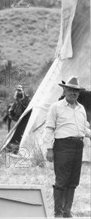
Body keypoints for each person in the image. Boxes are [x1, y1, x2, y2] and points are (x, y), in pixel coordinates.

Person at [43, 76, 91, 218]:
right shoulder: (56, 107)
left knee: (73, 181)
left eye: (76, 91)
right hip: (62, 146)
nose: (73, 93)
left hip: (78, 146)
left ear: (79, 93)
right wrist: (49, 149)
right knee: (62, 181)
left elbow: (84, 128)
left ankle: (67, 212)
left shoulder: (81, 109)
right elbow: (49, 128)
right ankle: (58, 213)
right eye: (70, 90)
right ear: (64, 90)